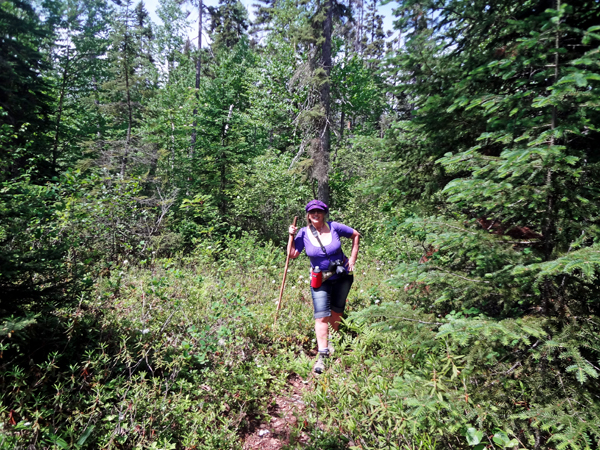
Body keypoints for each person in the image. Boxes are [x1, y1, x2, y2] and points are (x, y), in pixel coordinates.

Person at [287, 200, 360, 374]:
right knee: (321, 316)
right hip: (320, 279)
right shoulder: (304, 233)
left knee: (337, 311)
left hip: (342, 276)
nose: (316, 214)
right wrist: (290, 236)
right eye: (312, 212)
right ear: (308, 215)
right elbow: (292, 255)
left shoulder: (334, 227)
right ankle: (322, 355)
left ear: (324, 213)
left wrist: (352, 259)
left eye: (319, 211)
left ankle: (333, 342)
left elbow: (356, 235)